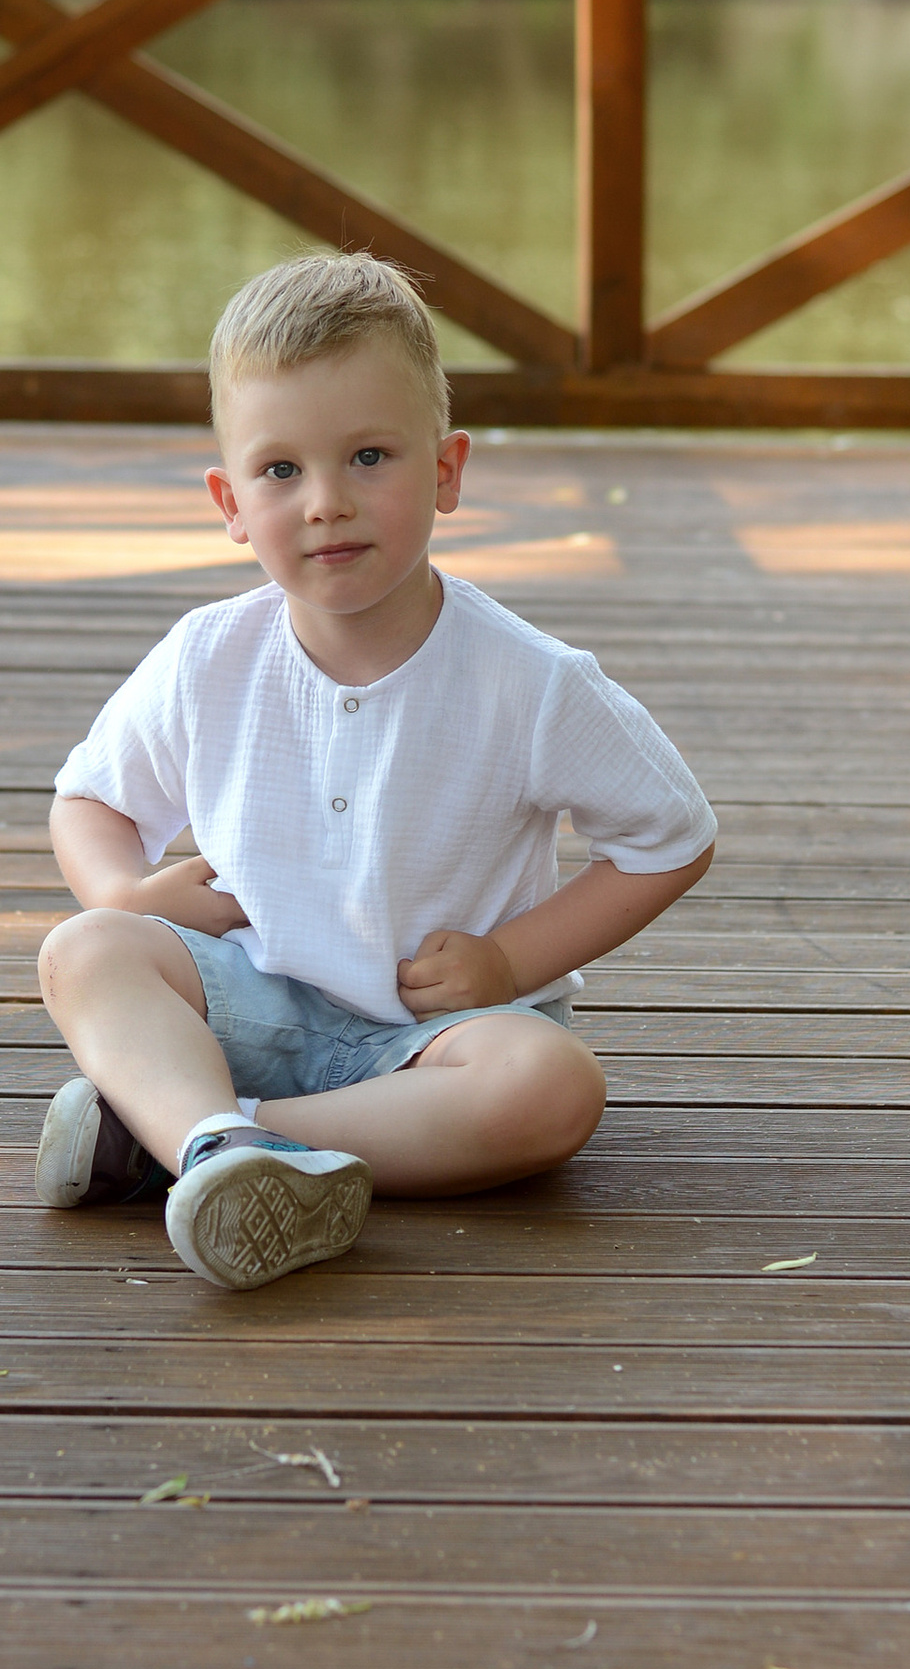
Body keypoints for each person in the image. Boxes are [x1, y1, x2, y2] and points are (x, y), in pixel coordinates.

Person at [35, 253, 717, 1291]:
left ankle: (200, 1140)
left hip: (438, 1044)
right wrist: (125, 893)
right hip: (248, 1000)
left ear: (444, 471)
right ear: (228, 500)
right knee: (86, 949)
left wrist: (507, 962)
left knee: (552, 1090)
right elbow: (90, 801)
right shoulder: (208, 655)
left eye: (367, 457)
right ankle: (215, 1140)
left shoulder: (526, 681)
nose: (324, 503)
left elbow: (669, 837)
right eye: (279, 472)